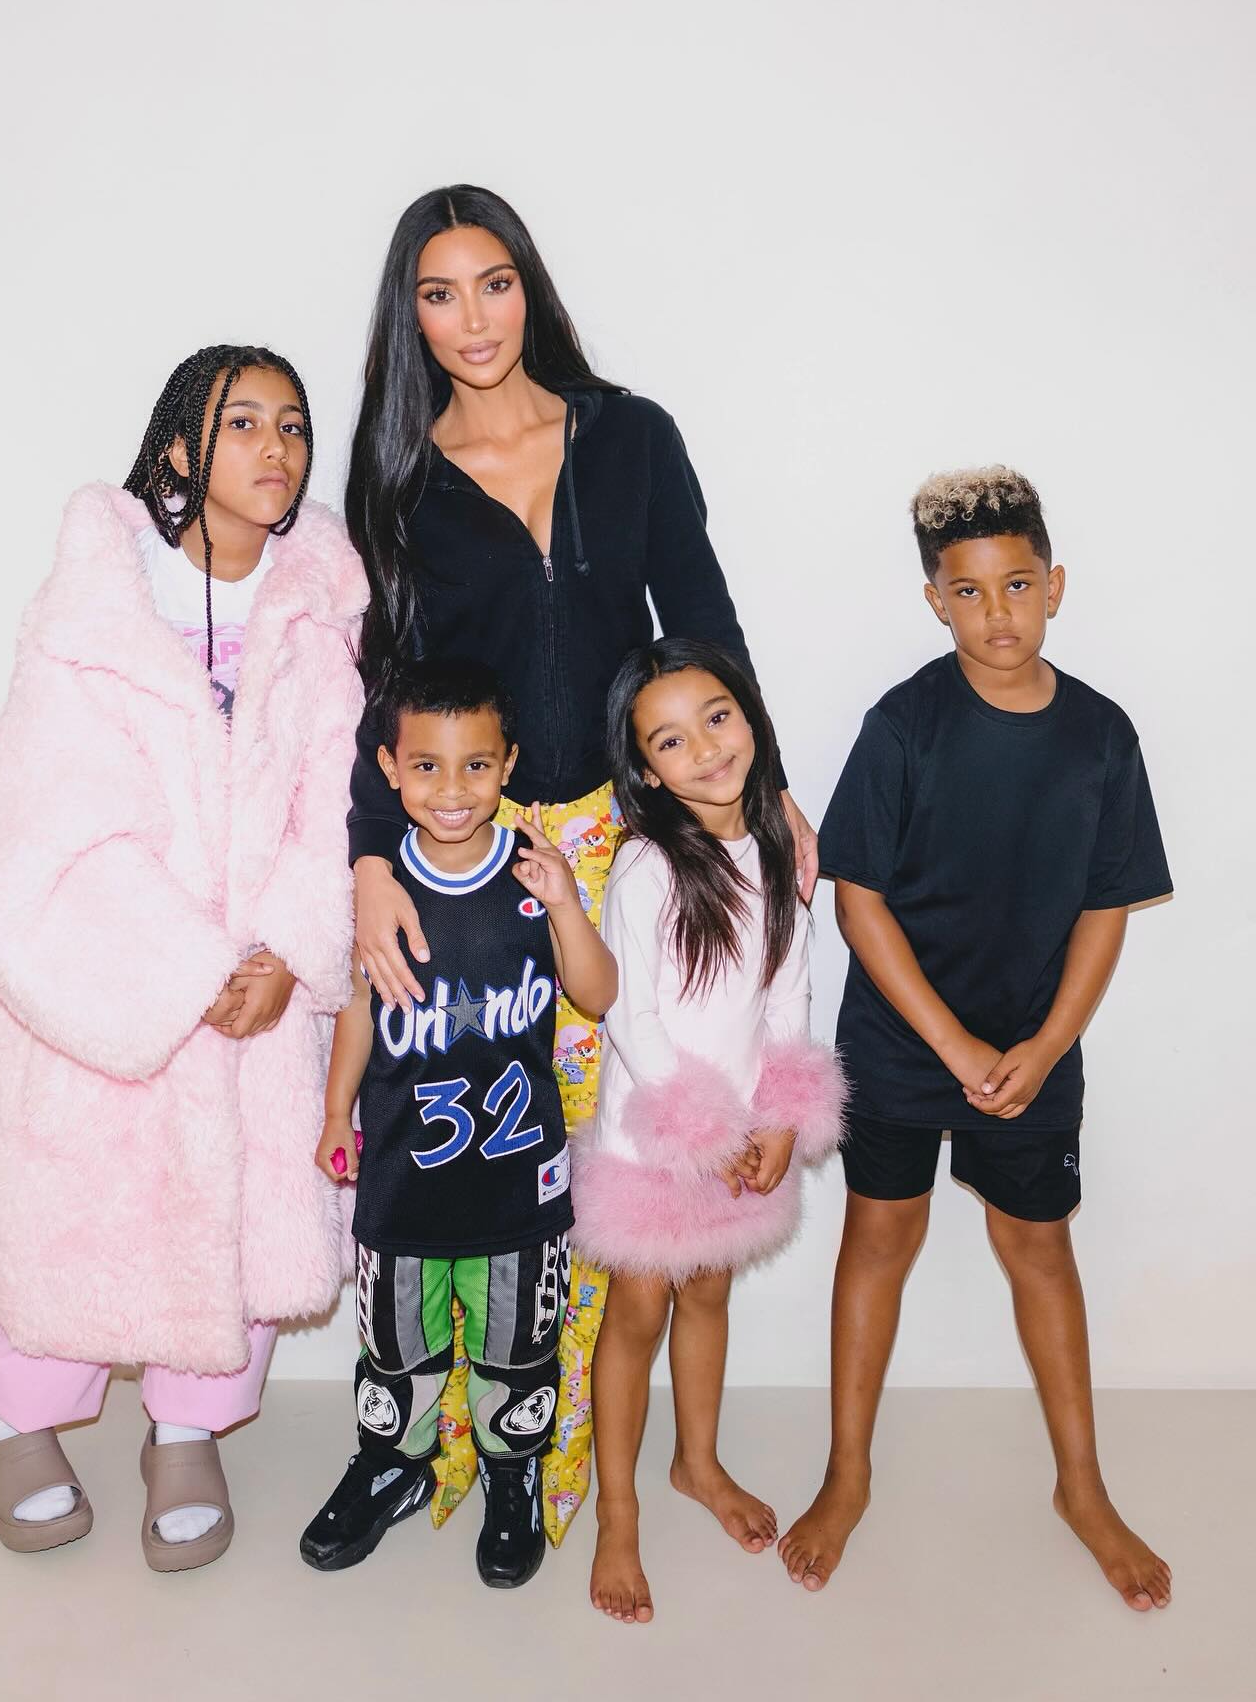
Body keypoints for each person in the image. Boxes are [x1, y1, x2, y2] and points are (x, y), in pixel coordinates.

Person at [343, 183, 819, 1540]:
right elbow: (384, 689)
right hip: (475, 844)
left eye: (493, 283)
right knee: (490, 1158)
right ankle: (468, 1451)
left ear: (530, 288)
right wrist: (374, 858)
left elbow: (704, 619)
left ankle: (603, 1464)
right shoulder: (398, 480)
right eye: (439, 293)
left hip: (636, 840)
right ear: (410, 316)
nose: (473, 318)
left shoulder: (630, 436)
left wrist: (770, 791)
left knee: (624, 1159)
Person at [0, 345, 365, 1570]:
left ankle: (188, 1432)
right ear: (181, 448)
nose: (276, 448)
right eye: (243, 423)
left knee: (248, 1199)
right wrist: (185, 968)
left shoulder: (316, 616)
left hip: (261, 980)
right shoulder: (97, 612)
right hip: (115, 974)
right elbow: (52, 811)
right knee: (79, 1199)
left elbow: (336, 804)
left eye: (292, 425)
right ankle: (15, 1418)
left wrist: (289, 949)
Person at [779, 468, 1174, 1612]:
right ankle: (848, 1474)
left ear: (1055, 585)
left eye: (1016, 585)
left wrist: (1046, 1046)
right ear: (934, 601)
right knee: (879, 1237)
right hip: (904, 1046)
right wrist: (950, 1046)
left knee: (1040, 1250)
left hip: (1034, 1047)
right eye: (968, 591)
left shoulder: (1102, 737)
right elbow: (858, 900)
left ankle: (1081, 1486)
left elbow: (1107, 907)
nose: (997, 613)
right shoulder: (904, 725)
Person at [302, 659, 616, 1587]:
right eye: (427, 767)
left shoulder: (531, 874)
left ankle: (510, 1479)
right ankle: (391, 1467)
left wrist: (565, 904)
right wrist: (335, 1110)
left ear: (508, 764)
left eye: (476, 765)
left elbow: (597, 995)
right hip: (404, 1182)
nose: (452, 789)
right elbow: (359, 1008)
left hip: (519, 1185)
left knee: (516, 1357)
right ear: (390, 769)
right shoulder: (380, 887)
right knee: (396, 1353)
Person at [572, 639, 845, 1624]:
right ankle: (619, 1512)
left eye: (717, 717)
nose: (706, 748)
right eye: (672, 741)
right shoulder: (647, 869)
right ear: (647, 771)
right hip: (655, 1139)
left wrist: (778, 1116)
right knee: (638, 1313)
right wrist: (703, 1130)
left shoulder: (777, 850)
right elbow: (629, 1016)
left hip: (740, 1134)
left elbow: (787, 991)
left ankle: (697, 1462)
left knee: (710, 1293)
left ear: (750, 717)